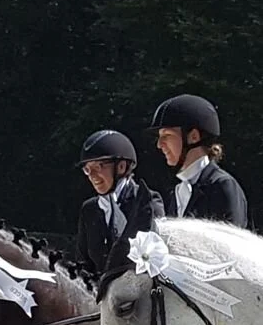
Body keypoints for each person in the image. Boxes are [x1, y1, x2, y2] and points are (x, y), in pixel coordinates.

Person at [147, 94, 249, 228]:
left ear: (194, 136)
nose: (159, 144)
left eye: (167, 135)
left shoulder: (222, 186)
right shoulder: (178, 191)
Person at [74, 129, 163, 273]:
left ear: (121, 166)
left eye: (98, 166)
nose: (92, 176)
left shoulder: (147, 201)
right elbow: (83, 262)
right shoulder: (89, 209)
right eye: (87, 169)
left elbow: (156, 259)